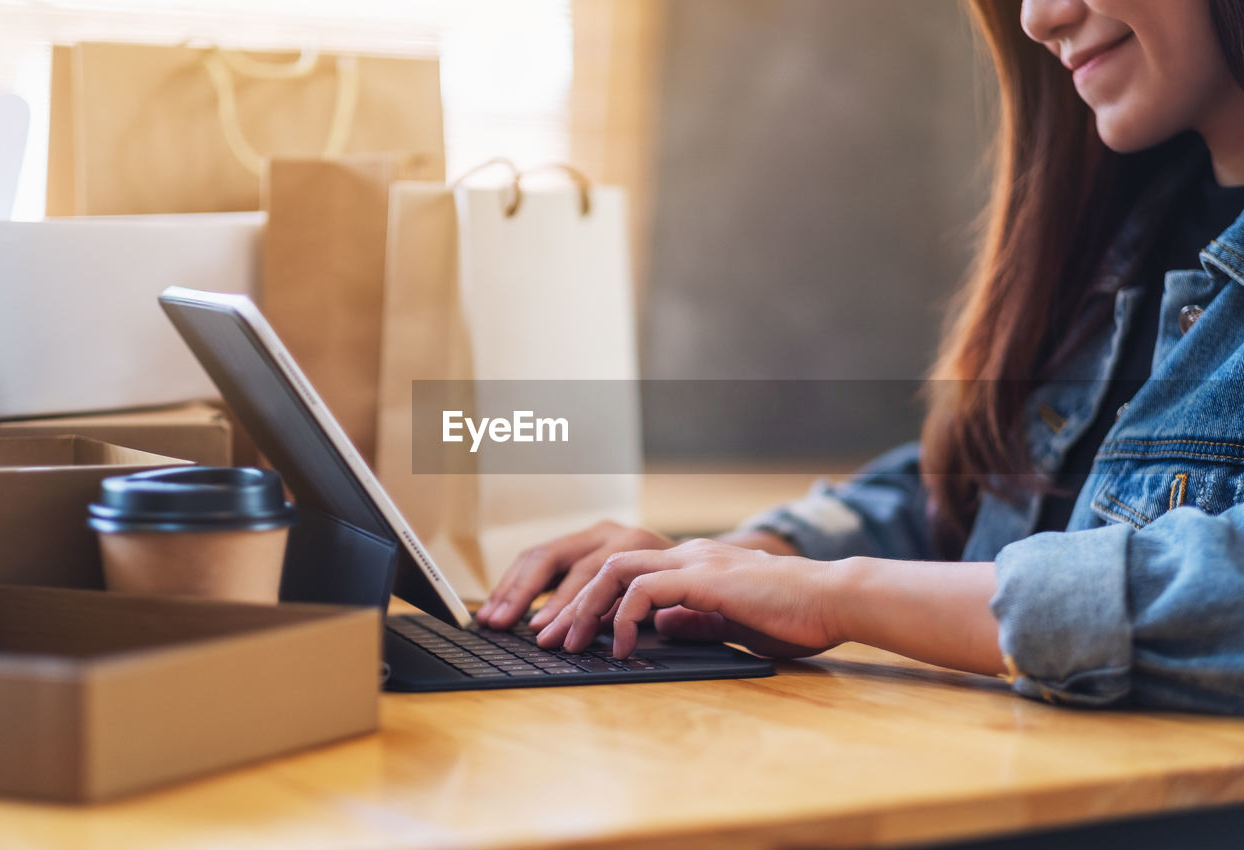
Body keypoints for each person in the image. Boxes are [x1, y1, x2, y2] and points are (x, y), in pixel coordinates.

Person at [476, 0, 1244, 714]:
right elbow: (984, 500)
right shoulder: (1124, 231)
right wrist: (726, 567)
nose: (1040, 17)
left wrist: (835, 595)